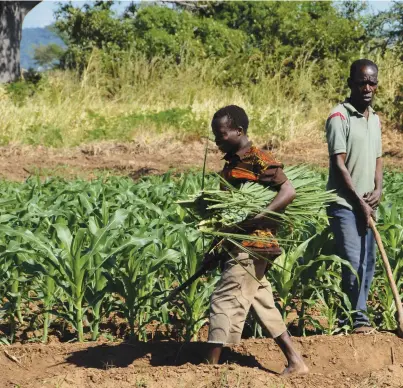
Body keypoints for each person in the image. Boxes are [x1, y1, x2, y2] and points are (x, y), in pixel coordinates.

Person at [204, 105, 308, 375]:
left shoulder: (258, 158)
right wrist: (216, 247)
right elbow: (227, 215)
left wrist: (260, 215)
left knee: (224, 300)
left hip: (253, 245)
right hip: (237, 244)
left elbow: (288, 191)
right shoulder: (232, 164)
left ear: (239, 131)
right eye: (215, 135)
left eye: (222, 134)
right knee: (262, 301)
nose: (217, 140)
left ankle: (208, 369)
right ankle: (296, 361)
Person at [325, 59, 382, 333]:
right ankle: (356, 319)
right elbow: (339, 163)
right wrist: (358, 202)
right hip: (345, 205)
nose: (368, 87)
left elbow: (379, 159)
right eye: (362, 82)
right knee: (352, 260)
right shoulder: (340, 116)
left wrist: (378, 191)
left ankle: (355, 315)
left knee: (368, 262)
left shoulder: (375, 118)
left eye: (372, 82)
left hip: (368, 204)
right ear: (351, 84)